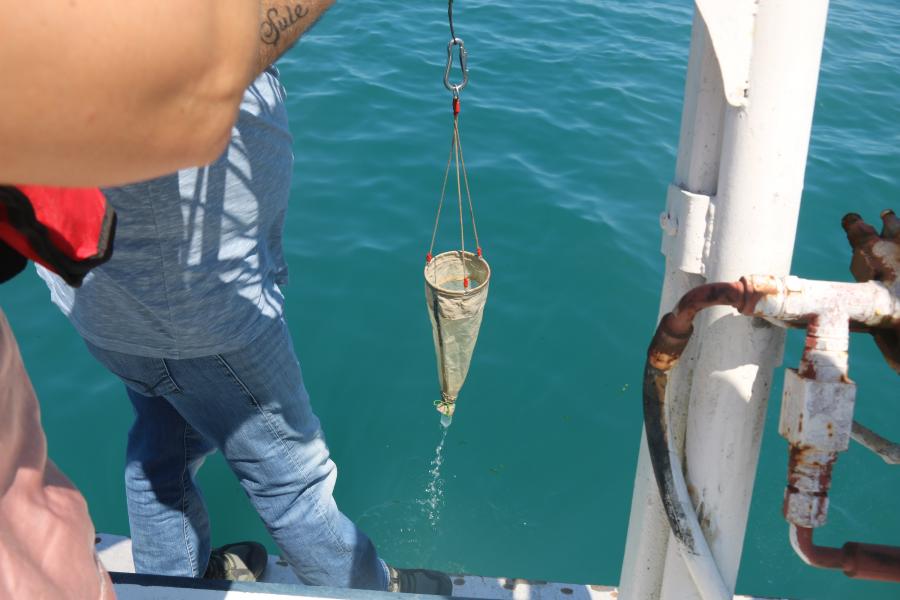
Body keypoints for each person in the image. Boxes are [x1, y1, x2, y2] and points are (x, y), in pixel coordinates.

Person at [36, 14, 453, 598]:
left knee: (165, 444)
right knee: (293, 486)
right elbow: (217, 57)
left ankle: (173, 583)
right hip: (203, 318)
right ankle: (369, 589)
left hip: (105, 302)